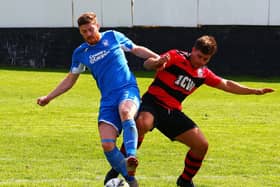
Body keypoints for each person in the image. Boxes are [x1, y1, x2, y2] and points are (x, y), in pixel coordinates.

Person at [105, 35, 274, 187]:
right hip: (153, 103)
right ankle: (117, 168)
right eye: (199, 56)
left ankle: (185, 180)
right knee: (142, 124)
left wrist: (253, 91)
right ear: (193, 50)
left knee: (201, 145)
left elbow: (227, 84)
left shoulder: (203, 73)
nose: (201, 61)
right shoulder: (176, 56)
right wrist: (156, 62)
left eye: (205, 59)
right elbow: (147, 63)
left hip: (172, 112)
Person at [37, 12, 159, 187]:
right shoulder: (80, 53)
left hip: (127, 90)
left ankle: (131, 156)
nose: (88, 34)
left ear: (97, 26)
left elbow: (135, 48)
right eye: (83, 32)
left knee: (126, 112)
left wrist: (157, 58)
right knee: (107, 144)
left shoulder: (113, 36)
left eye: (90, 29)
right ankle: (131, 179)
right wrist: (49, 97)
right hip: (108, 100)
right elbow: (70, 79)